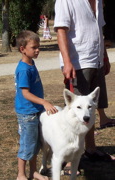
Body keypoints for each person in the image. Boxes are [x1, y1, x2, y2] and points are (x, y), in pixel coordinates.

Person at [54, 0, 115, 165]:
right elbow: (61, 30)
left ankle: (91, 149)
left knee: (90, 109)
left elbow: (98, 30)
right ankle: (69, 160)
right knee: (74, 113)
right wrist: (67, 61)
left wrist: (105, 56)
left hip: (96, 61)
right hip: (77, 63)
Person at [15, 30, 57, 180]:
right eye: (34, 47)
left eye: (38, 47)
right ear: (22, 49)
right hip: (27, 114)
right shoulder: (24, 69)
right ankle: (21, 174)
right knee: (27, 145)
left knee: (35, 144)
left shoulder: (31, 63)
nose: (37, 50)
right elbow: (25, 93)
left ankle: (33, 172)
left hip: (35, 112)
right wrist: (44, 102)